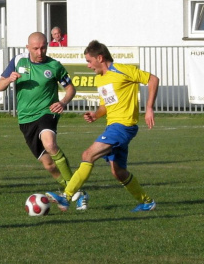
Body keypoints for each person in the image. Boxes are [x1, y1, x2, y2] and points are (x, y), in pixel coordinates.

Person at [45, 40, 159, 212]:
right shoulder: (100, 79)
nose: (88, 65)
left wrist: (149, 108)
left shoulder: (121, 70)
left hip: (123, 126)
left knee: (88, 154)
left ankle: (67, 196)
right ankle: (147, 202)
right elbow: (106, 104)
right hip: (112, 126)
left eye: (89, 61)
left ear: (100, 57)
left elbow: (153, 80)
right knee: (118, 171)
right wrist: (96, 115)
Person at [0, 32, 88, 209]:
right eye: (36, 48)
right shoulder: (18, 61)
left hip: (48, 111)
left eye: (43, 47)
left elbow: (71, 89)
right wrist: (9, 79)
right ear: (28, 48)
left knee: (50, 144)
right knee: (49, 165)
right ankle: (76, 193)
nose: (40, 51)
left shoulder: (54, 66)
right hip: (25, 118)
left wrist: (62, 102)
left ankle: (72, 190)